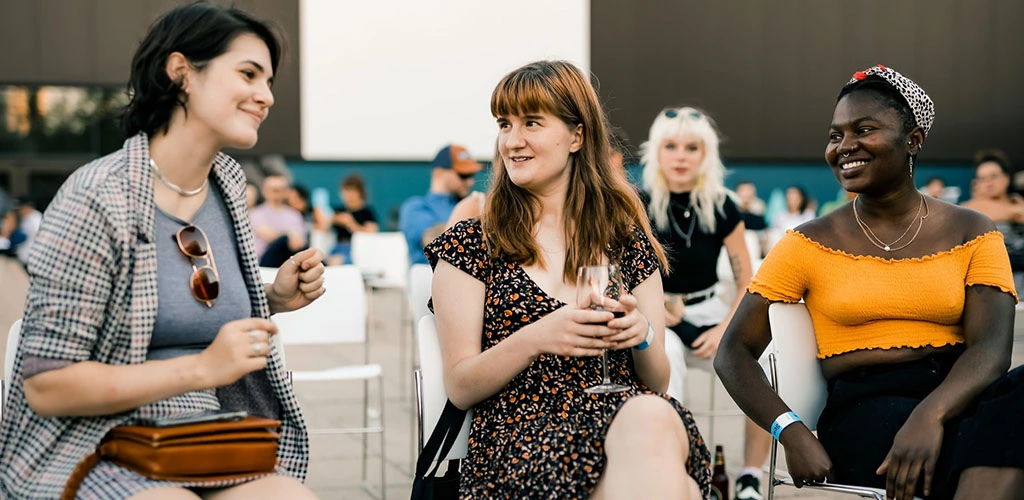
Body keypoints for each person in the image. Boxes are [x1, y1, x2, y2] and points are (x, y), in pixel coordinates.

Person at [0, 4, 326, 498]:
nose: (266, 96)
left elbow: (180, 298)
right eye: (248, 74)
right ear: (181, 73)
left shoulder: (227, 183)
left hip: (209, 437)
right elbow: (48, 386)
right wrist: (200, 369)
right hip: (100, 444)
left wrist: (272, 297)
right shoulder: (97, 196)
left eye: (269, 80)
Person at [715, 64, 1024, 500]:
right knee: (992, 450)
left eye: (863, 129)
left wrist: (930, 415)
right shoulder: (808, 242)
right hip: (866, 407)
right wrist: (792, 432)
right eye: (835, 135)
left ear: (913, 140)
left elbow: (991, 351)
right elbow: (732, 352)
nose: (845, 147)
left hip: (960, 394)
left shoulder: (972, 230)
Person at [427, 60, 710, 499]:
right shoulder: (471, 243)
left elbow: (657, 382)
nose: (512, 140)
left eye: (532, 123)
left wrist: (641, 335)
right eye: (505, 124)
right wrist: (537, 336)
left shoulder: (624, 239)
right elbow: (460, 387)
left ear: (577, 136)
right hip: (523, 438)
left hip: (627, 423)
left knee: (653, 415)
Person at [639, 106, 771, 500]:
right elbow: (623, 277)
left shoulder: (723, 205)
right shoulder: (636, 204)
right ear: (656, 152)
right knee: (668, 362)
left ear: (706, 154)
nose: (681, 156)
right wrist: (660, 316)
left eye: (692, 147)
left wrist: (723, 330)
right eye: (672, 146)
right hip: (654, 309)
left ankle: (750, 475)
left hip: (712, 308)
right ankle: (674, 474)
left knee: (759, 360)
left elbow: (748, 280)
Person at [399, 144, 482, 264]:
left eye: (472, 175)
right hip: (430, 277)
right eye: (463, 175)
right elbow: (434, 241)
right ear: (439, 172)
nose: (470, 181)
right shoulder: (416, 206)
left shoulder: (469, 204)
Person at [961, 150, 1024, 293]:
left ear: (1006, 178)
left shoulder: (1017, 202)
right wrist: (1014, 212)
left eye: (993, 176)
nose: (988, 183)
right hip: (990, 286)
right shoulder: (968, 209)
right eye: (982, 179)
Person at [251, 174, 306, 267]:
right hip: (265, 260)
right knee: (284, 240)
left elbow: (300, 242)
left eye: (279, 190)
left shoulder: (294, 215)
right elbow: (267, 234)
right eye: (273, 189)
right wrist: (289, 235)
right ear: (264, 191)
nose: (276, 193)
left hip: (288, 260)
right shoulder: (256, 214)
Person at [328, 174, 378, 264]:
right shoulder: (338, 211)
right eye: (345, 192)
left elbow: (371, 232)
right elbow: (322, 228)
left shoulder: (367, 212)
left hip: (356, 249)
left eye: (351, 192)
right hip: (337, 247)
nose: (348, 196)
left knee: (337, 261)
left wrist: (351, 224)